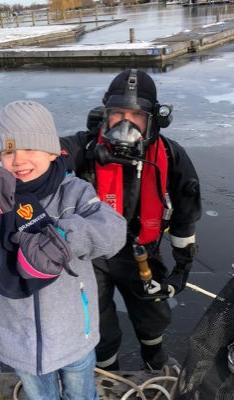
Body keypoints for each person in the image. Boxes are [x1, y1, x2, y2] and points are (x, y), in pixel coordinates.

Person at [0, 100, 127, 400]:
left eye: (29, 148)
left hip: (74, 333)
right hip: (19, 338)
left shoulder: (74, 191)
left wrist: (64, 238)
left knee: (81, 394)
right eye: (8, 151)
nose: (18, 160)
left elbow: (113, 231)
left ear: (52, 151)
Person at [60, 69, 202, 371]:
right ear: (105, 115)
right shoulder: (85, 148)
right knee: (97, 319)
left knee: (152, 313)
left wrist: (182, 268)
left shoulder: (171, 156)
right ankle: (108, 371)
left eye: (135, 117)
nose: (125, 125)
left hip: (141, 253)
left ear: (153, 120)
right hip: (92, 257)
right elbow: (45, 154)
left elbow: (185, 214)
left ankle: (154, 357)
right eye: (117, 115)